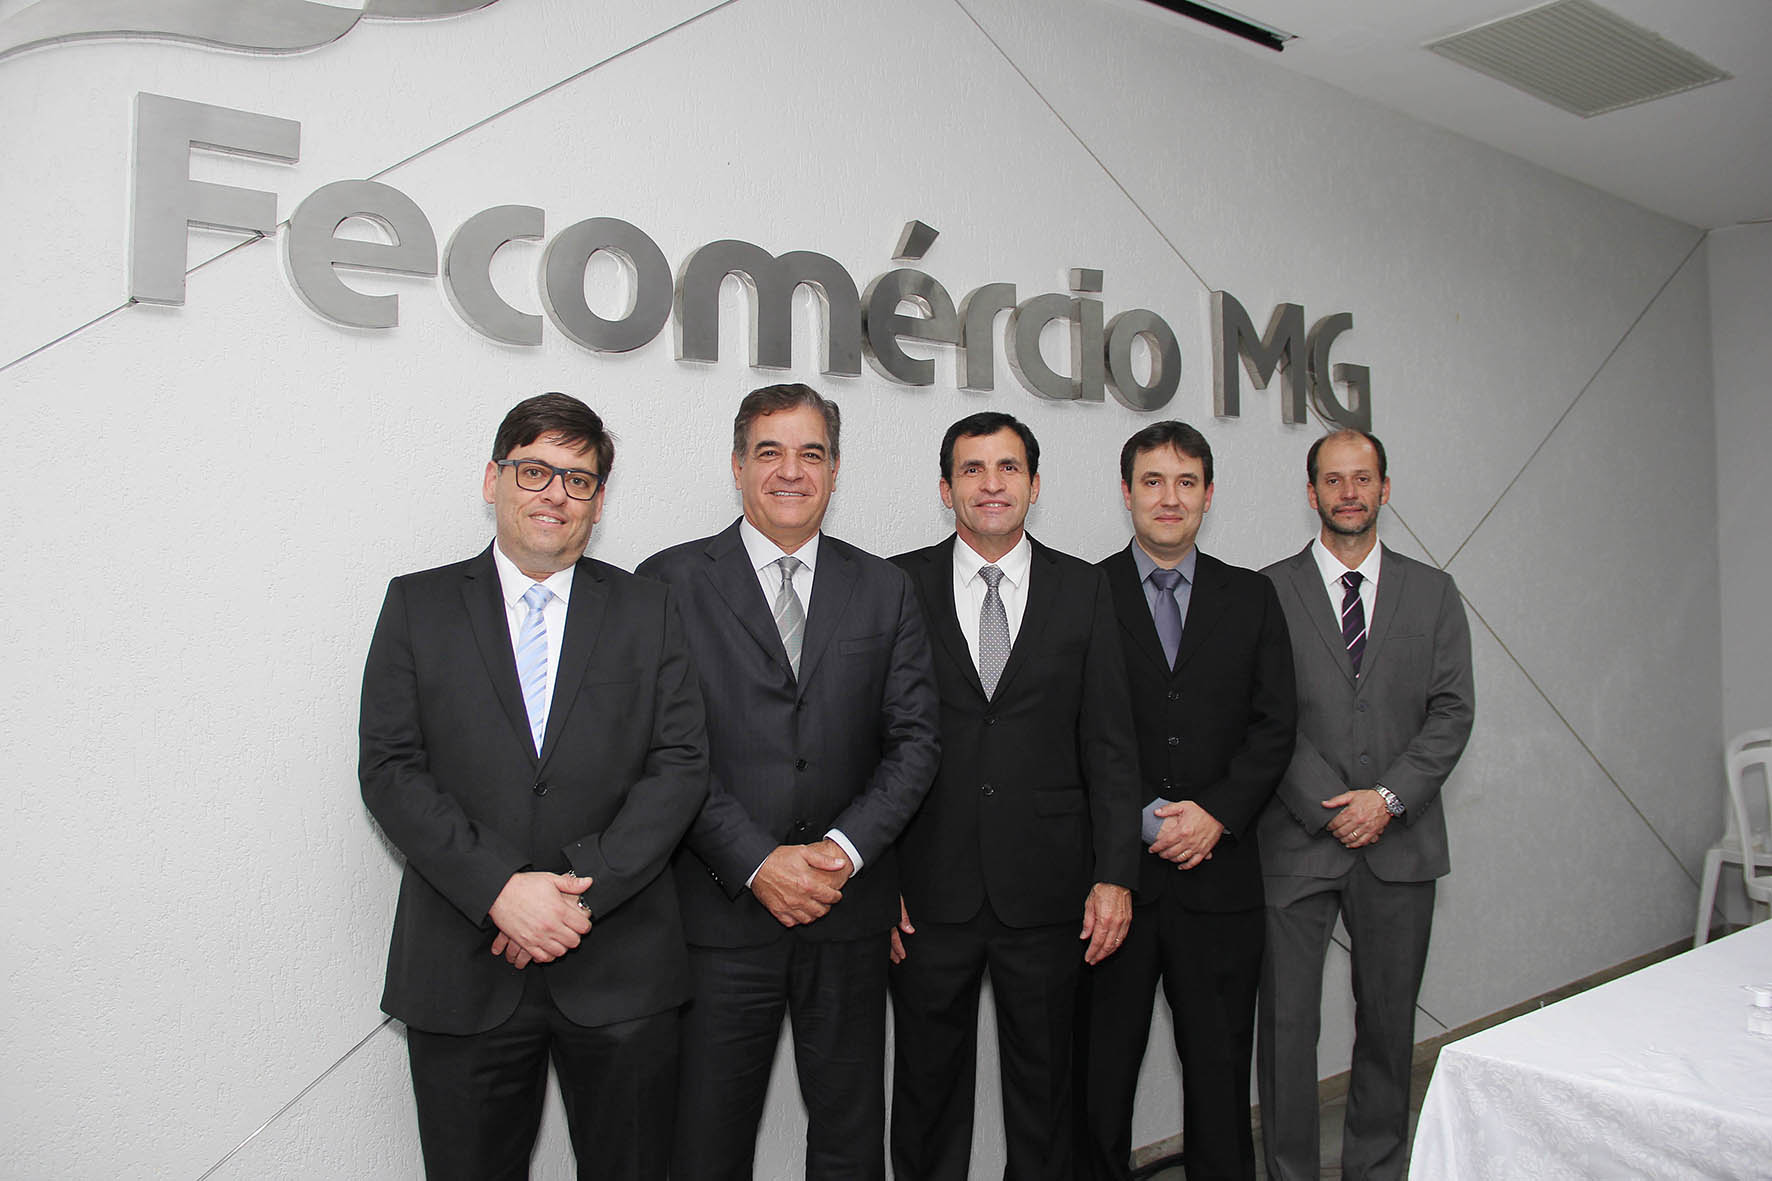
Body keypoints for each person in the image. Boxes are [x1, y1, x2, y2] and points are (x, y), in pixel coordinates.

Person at [359, 392, 709, 1180]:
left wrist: (576, 897)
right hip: (462, 966)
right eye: (535, 471)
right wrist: (500, 890)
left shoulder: (649, 609)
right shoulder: (417, 605)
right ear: (493, 480)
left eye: (578, 479)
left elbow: (681, 765)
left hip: (621, 968)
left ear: (599, 502)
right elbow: (389, 767)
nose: (556, 493)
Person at [636, 383, 940, 1181]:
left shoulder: (884, 588)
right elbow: (664, 749)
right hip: (718, 912)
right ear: (737, 465)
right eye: (769, 451)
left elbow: (915, 743)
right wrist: (757, 860)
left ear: (836, 469)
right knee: (705, 1143)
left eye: (811, 453)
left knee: (849, 1141)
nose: (791, 471)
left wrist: (840, 853)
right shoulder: (667, 582)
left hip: (847, 912)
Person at [888, 410, 1140, 1181]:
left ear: (1034, 484)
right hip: (926, 892)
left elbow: (1110, 743)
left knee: (1046, 1097)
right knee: (926, 1096)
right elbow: (870, 742)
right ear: (945, 488)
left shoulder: (1084, 587)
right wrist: (877, 878)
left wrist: (1116, 873)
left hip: (1052, 888)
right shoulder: (896, 584)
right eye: (972, 469)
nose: (990, 484)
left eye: (1007, 468)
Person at [1076, 421, 1296, 1181]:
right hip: (1114, 886)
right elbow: (1070, 730)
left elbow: (1275, 726)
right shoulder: (1083, 592)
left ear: (1208, 494)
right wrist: (1143, 817)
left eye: (1186, 482)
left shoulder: (1253, 596)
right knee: (1099, 1082)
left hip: (1220, 881)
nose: (1169, 498)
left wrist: (1217, 814)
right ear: (1127, 492)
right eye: (1152, 481)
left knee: (1220, 1078)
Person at [1256, 429, 1475, 1181]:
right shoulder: (1266, 592)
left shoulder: (1434, 592)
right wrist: (1330, 807)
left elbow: (1452, 712)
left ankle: (1376, 1169)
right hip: (1295, 843)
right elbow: (1262, 715)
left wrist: (1385, 799)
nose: (1348, 492)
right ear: (1311, 491)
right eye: (1333, 479)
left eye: (1362, 478)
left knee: (1387, 1027)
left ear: (1385, 488)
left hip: (1400, 842)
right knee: (1286, 1031)